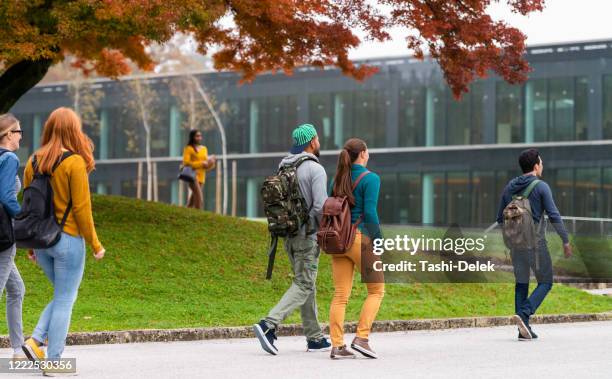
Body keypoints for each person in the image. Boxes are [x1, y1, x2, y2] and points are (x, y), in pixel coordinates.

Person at [21, 107, 105, 367]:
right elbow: (81, 209)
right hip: (67, 241)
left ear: (48, 128)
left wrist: (32, 246)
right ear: (73, 130)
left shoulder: (32, 161)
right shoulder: (74, 162)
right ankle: (54, 361)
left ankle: (35, 342)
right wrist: (95, 243)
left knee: (62, 295)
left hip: (42, 242)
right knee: (65, 300)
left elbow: (28, 205)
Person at [253, 124, 331, 354]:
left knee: (305, 282)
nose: (318, 142)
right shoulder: (315, 170)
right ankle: (268, 324)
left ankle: (315, 338)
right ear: (312, 142)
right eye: (317, 138)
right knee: (304, 282)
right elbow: (320, 206)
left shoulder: (284, 165)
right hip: (307, 236)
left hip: (287, 235)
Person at [496, 148, 572, 340]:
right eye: (541, 162)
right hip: (536, 245)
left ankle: (523, 329)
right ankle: (524, 314)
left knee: (521, 283)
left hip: (515, 246)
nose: (542, 166)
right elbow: (554, 215)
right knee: (545, 282)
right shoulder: (541, 186)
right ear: (536, 165)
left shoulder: (509, 187)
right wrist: (565, 240)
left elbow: (499, 219)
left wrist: (513, 235)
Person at [328, 138, 384, 360]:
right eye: (367, 150)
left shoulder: (338, 178)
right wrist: (378, 239)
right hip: (360, 239)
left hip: (338, 240)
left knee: (340, 295)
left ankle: (337, 346)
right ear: (362, 153)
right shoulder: (371, 178)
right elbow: (370, 212)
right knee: (376, 290)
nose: (368, 153)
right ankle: (361, 338)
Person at [0, 114, 26, 359]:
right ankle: (18, 350)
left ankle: (18, 350)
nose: (21, 136)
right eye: (19, 132)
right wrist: (24, 218)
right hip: (3, 237)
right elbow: (7, 196)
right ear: (9, 134)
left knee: (16, 289)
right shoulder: (9, 158)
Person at [182, 129, 215, 210]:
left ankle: (186, 213)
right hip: (192, 176)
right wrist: (201, 163)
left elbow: (206, 166)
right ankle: (199, 216)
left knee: (192, 201)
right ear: (192, 137)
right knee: (199, 198)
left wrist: (211, 163)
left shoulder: (204, 149)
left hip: (201, 177)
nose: (199, 138)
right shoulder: (188, 148)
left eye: (200, 136)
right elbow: (186, 163)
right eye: (197, 136)